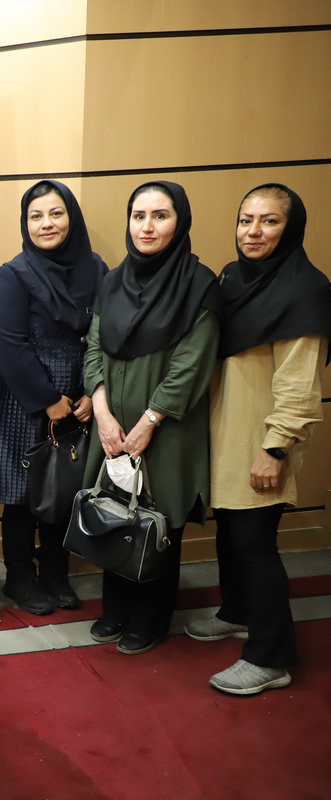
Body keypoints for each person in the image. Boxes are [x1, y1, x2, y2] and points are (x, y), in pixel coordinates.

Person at [186, 184, 331, 694]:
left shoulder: (305, 290)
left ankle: (271, 657)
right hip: (225, 432)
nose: (253, 232)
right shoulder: (233, 278)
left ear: (291, 228)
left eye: (269, 221)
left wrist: (275, 449)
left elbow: (299, 384)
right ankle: (238, 612)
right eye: (246, 220)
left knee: (254, 543)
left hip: (262, 439)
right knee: (230, 532)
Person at [82, 181, 221, 655]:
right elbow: (94, 347)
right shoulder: (112, 281)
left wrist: (148, 422)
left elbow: (190, 365)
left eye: (160, 216)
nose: (147, 226)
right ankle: (117, 608)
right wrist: (103, 413)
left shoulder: (200, 285)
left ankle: (152, 618)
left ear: (179, 222)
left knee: (158, 521)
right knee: (115, 512)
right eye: (138, 215)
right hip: (113, 425)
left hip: (166, 428)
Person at [0, 180, 106, 615]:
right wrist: (47, 399)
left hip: (81, 395)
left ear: (71, 217)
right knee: (24, 493)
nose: (46, 224)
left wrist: (92, 393)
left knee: (66, 488)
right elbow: (11, 346)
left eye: (56, 213)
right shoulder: (14, 274)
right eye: (35, 216)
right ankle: (20, 578)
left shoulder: (96, 269)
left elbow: (106, 335)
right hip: (26, 398)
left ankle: (57, 574)